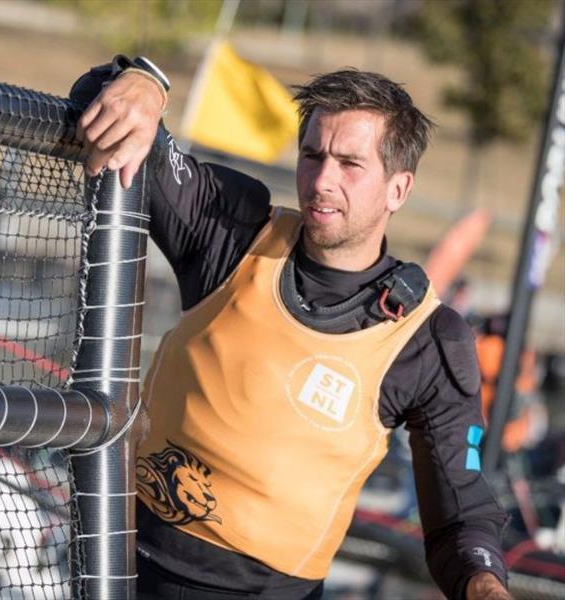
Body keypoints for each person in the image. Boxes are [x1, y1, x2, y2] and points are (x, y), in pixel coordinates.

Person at [71, 58, 512, 600]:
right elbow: (105, 104)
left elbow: (461, 514)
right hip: (115, 562)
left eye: (350, 164)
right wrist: (145, 81)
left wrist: (485, 586)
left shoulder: (428, 341)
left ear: (398, 189)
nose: (322, 181)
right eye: (312, 156)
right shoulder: (231, 230)